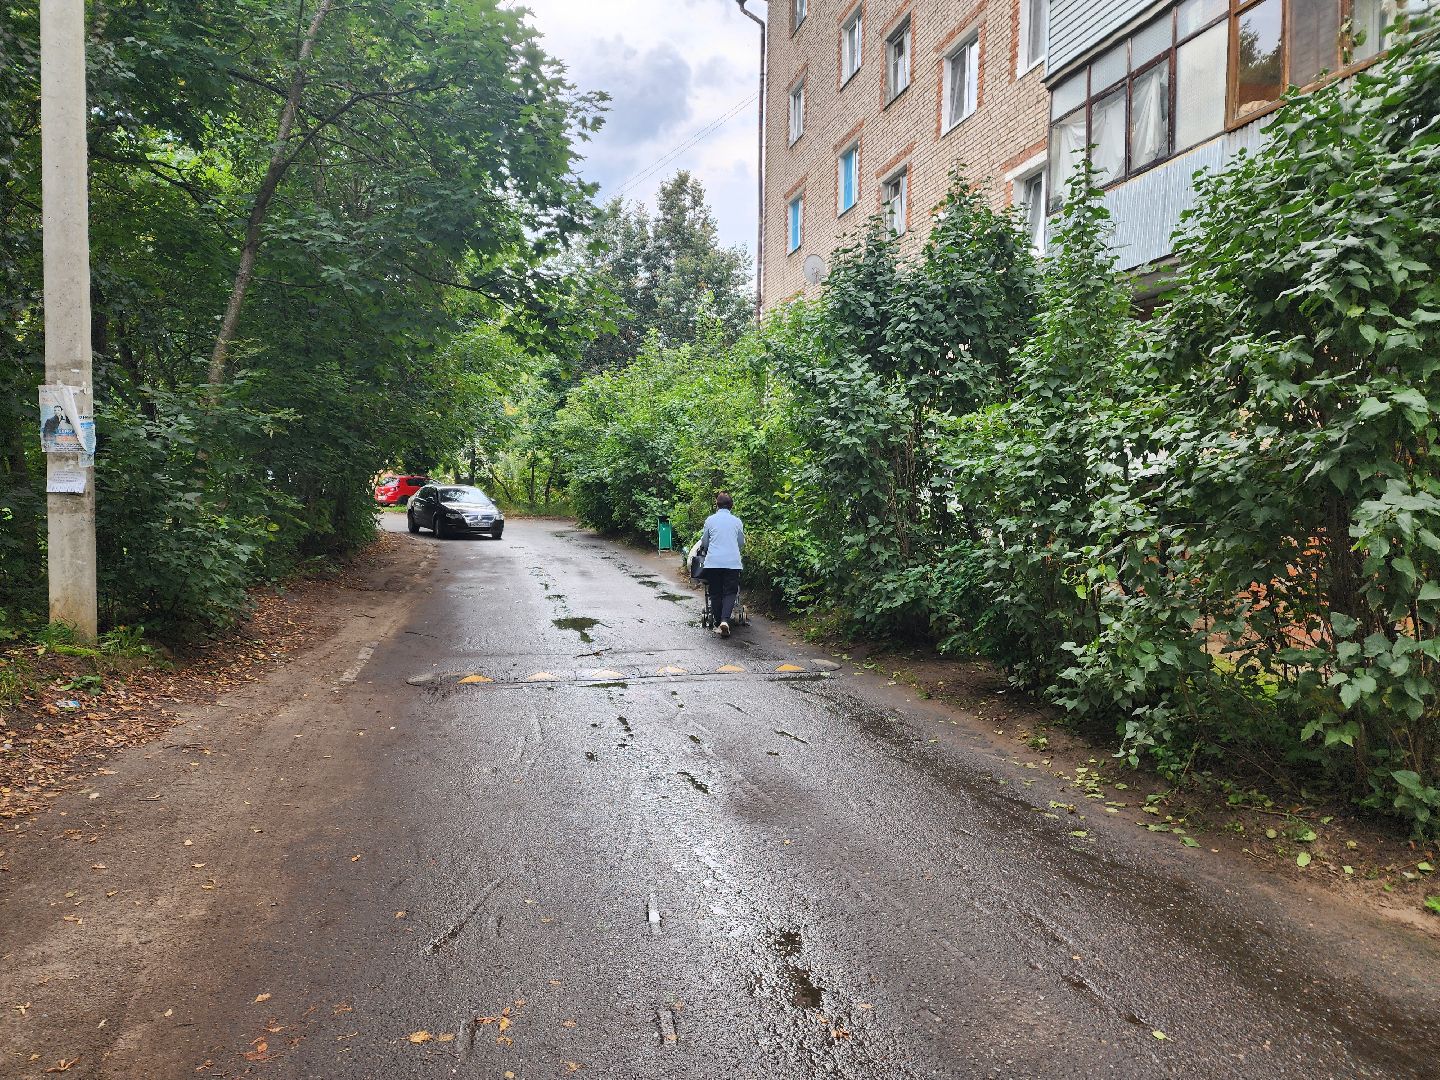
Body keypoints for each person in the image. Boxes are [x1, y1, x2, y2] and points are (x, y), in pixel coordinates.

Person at [699, 492, 744, 637]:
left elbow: (705, 542)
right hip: (732, 563)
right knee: (730, 592)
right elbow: (741, 543)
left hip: (713, 562)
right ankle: (725, 620)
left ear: (717, 505)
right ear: (731, 506)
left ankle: (718, 622)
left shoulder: (710, 520)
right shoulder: (737, 521)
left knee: (715, 592)